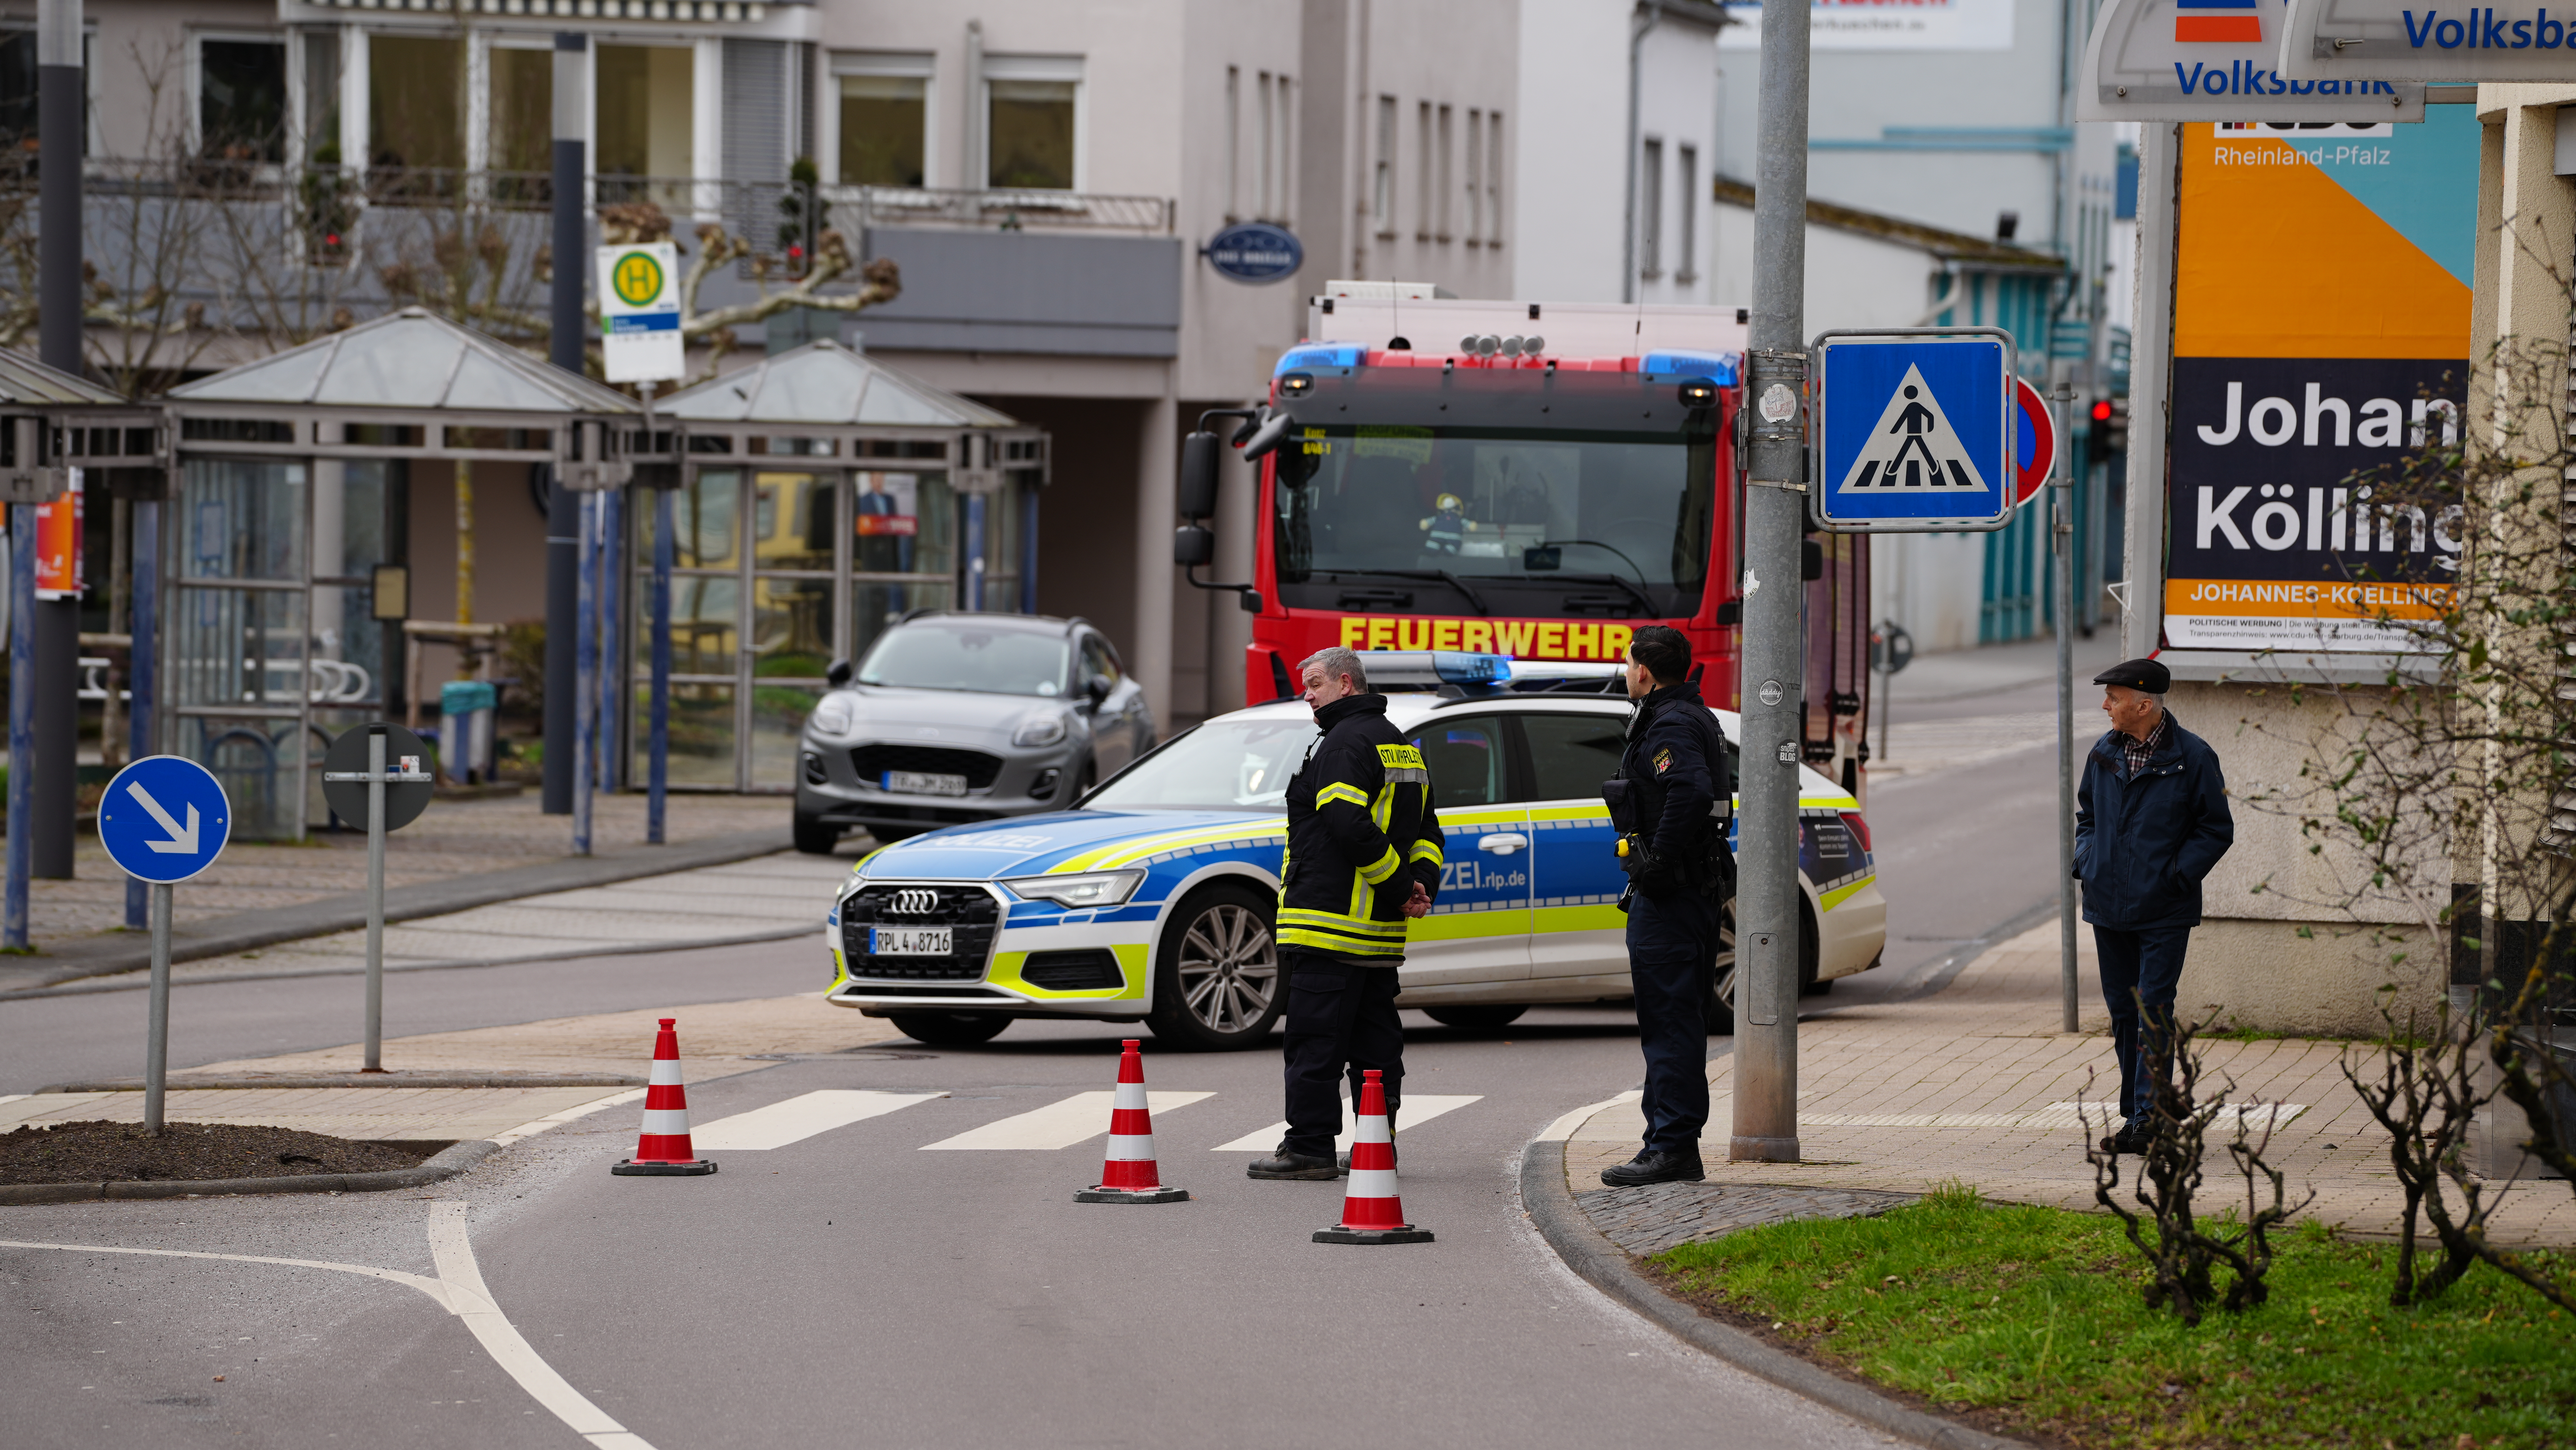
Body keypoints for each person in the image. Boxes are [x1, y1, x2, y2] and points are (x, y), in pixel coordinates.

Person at [1247, 647, 1443, 1180]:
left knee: (1314, 1042)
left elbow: (1347, 824)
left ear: (1346, 684)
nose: (1306, 695)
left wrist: (1400, 889)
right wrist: (1418, 886)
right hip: (1379, 937)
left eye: (1315, 684)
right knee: (1377, 1049)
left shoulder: (1343, 743)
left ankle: (1309, 1148)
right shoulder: (1403, 747)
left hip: (1329, 927)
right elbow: (1429, 832)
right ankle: (1377, 1146)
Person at [2073, 657, 2235, 1155]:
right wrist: (2087, 862)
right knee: (2125, 1013)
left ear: (2144, 706)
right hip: (2108, 906)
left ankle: (2151, 1119)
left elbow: (2215, 829)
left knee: (2153, 1009)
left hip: (2164, 910)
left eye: (2114, 698)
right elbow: (2087, 817)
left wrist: (2175, 877)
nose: (2106, 706)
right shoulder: (2104, 752)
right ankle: (2140, 1113)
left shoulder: (2193, 756)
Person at [1598, 625, 1732, 1188]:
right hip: (1687, 892)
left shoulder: (1672, 723)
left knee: (1670, 1023)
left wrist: (1657, 861)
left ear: (1645, 672)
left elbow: (1691, 791)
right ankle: (1667, 1142)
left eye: (1628, 663)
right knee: (1676, 1020)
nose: (1625, 672)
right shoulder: (1690, 714)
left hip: (1672, 896)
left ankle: (1672, 1148)